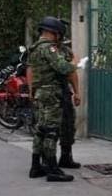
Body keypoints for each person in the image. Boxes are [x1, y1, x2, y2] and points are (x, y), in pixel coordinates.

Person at [26, 16, 81, 182]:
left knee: (40, 130)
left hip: (41, 93)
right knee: (51, 131)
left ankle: (36, 166)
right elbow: (63, 68)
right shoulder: (49, 48)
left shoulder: (35, 48)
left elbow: (31, 70)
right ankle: (52, 169)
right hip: (51, 94)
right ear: (55, 33)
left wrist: (32, 90)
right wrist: (75, 63)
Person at [57, 20, 80, 169]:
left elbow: (72, 73)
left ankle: (66, 157)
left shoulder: (66, 51)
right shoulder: (43, 50)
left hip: (64, 92)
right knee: (48, 128)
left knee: (68, 125)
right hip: (48, 94)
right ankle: (46, 161)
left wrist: (77, 92)